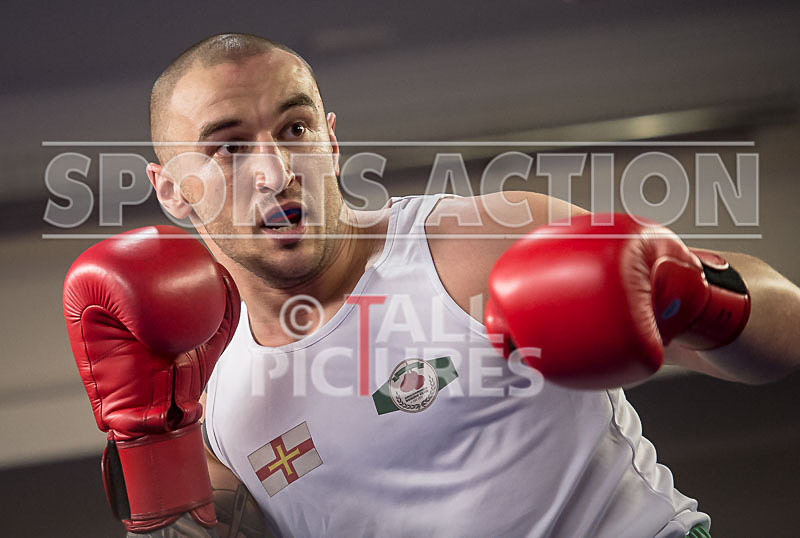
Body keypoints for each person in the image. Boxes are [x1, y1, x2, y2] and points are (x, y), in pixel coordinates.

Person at [63, 33, 800, 537]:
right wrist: (148, 443)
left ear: (331, 141)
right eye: (227, 147)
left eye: (294, 130)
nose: (274, 171)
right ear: (171, 190)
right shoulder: (221, 409)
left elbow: (788, 331)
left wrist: (691, 296)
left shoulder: (474, 244)